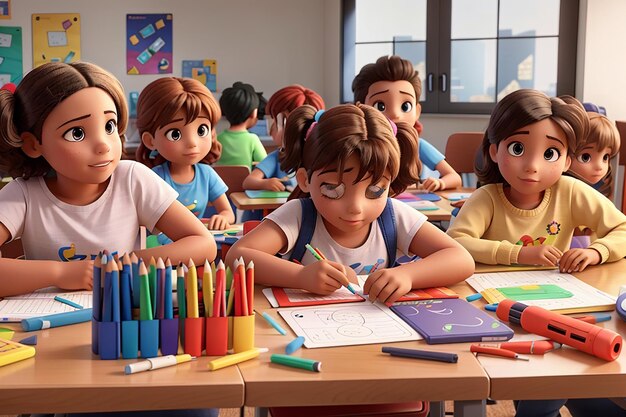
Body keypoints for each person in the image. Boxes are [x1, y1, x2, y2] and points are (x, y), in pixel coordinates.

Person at [0, 62, 215, 306]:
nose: (103, 145)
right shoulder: (24, 193)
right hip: (48, 323)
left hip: (122, 317)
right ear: (33, 144)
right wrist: (60, 273)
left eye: (109, 126)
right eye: (77, 133)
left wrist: (126, 262)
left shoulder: (133, 179)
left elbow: (203, 244)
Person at [227, 103, 474, 304]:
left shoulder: (393, 215)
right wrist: (301, 276)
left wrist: (408, 275)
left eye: (375, 190)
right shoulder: (299, 215)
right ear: (304, 180)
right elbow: (237, 257)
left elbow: (461, 259)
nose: (355, 207)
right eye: (333, 189)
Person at [446, 89, 626, 274]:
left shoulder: (571, 192)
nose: (532, 166)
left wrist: (596, 252)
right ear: (494, 152)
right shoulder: (487, 198)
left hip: (558, 293)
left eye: (550, 154)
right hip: (491, 294)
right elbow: (456, 241)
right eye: (517, 148)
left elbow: (622, 228)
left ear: (566, 161)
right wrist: (519, 253)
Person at [135, 77, 235, 235]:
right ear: (150, 140)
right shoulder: (155, 178)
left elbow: (228, 213)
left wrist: (222, 218)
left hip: (198, 241)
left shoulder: (206, 174)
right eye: (175, 134)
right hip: (163, 248)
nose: (192, 142)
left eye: (201, 130)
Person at [352, 55, 462, 192]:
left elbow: (454, 177)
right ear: (361, 108)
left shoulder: (418, 145)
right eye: (380, 106)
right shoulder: (363, 146)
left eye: (405, 106)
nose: (395, 114)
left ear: (417, 111)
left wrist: (439, 183)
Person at [242, 84, 325, 192]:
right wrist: (266, 183)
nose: (271, 130)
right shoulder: (278, 157)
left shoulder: (319, 159)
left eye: (275, 121)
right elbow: (248, 182)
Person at [566, 111, 621, 249]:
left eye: (605, 157)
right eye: (586, 157)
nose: (599, 167)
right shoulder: (564, 190)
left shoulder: (598, 194)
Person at [215, 81, 267, 169]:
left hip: (220, 182)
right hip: (245, 182)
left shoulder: (218, 138)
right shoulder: (252, 139)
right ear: (254, 113)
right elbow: (265, 164)